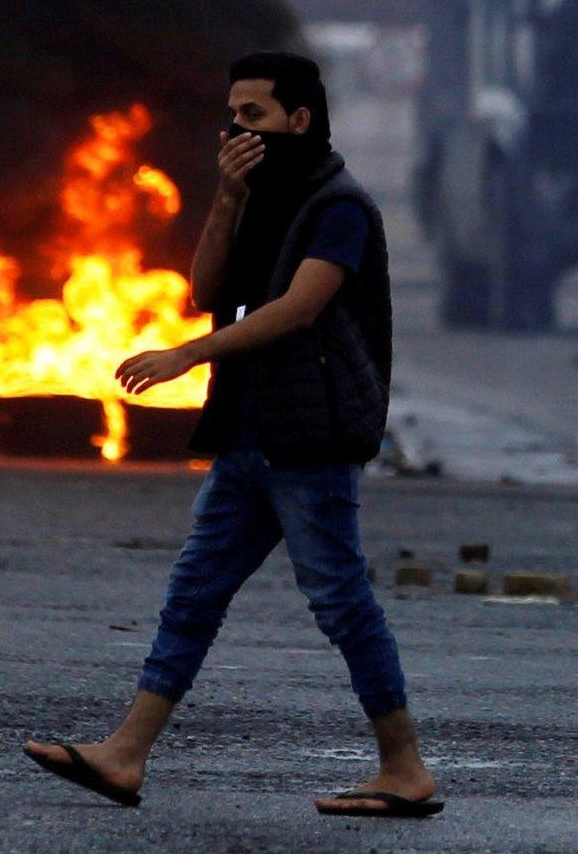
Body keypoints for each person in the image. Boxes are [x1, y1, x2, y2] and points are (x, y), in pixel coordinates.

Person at [22, 51, 442, 818]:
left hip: (307, 438)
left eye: (253, 116)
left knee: (340, 601)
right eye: (232, 116)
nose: (236, 129)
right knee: (194, 593)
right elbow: (207, 290)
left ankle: (404, 768)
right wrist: (225, 196)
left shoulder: (338, 206)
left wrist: (187, 356)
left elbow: (299, 309)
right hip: (248, 433)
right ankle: (126, 754)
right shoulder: (258, 197)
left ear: (299, 121)